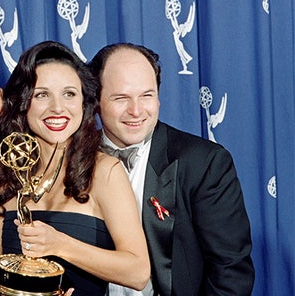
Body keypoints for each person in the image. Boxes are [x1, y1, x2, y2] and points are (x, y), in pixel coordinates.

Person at [0, 41, 150, 296]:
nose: (58, 108)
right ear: (23, 102)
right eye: (41, 94)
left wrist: (60, 244)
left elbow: (138, 273)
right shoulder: (5, 171)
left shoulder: (104, 171)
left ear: (84, 102)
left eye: (69, 94)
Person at [88, 42, 254, 295]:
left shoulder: (204, 163)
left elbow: (230, 271)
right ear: (95, 101)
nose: (136, 110)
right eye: (121, 98)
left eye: (147, 95)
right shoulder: (72, 159)